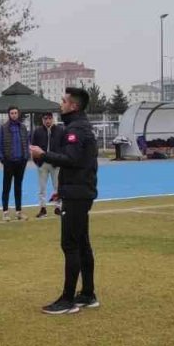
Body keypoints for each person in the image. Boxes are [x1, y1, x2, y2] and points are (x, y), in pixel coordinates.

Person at [30, 87, 100, 315]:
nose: (61, 104)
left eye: (64, 101)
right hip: (78, 191)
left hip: (78, 195)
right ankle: (88, 294)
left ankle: (68, 299)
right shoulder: (78, 126)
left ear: (74, 106)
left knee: (70, 244)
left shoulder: (76, 129)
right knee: (82, 243)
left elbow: (71, 159)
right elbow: (79, 164)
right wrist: (62, 190)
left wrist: (43, 154)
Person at [0, 106, 30, 221]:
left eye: (15, 113)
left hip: (21, 162)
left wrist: (26, 157)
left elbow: (26, 142)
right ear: (8, 114)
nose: (14, 115)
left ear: (18, 114)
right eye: (12, 113)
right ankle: (5, 212)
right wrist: (3, 159)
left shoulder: (23, 128)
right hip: (9, 162)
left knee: (18, 187)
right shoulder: (3, 128)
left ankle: (18, 212)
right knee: (6, 187)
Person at [31, 112, 65, 218]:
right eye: (46, 118)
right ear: (42, 120)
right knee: (42, 188)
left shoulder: (60, 130)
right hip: (42, 163)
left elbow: (63, 146)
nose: (48, 121)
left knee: (57, 187)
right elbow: (33, 147)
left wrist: (59, 159)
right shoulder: (37, 131)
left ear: (53, 119)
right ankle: (43, 208)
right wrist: (37, 162)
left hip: (55, 163)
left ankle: (58, 208)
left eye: (50, 118)